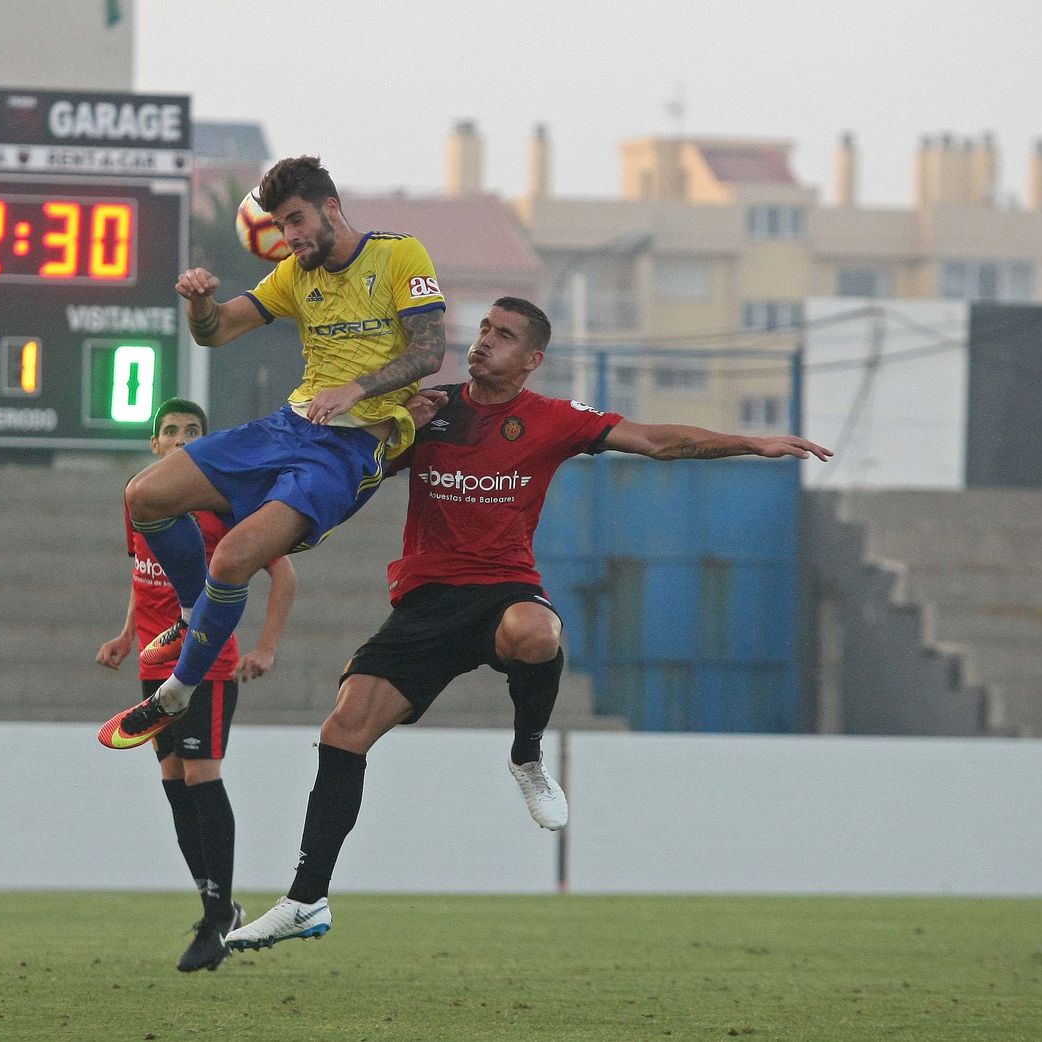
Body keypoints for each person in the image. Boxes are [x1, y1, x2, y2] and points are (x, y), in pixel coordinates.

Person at [224, 297, 832, 950]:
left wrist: (752, 441)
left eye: (504, 335)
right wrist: (387, 428)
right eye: (484, 329)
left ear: (532, 360)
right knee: (343, 731)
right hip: (426, 605)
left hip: (502, 593)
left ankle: (526, 757)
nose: (484, 341)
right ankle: (307, 899)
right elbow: (351, 473)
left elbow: (655, 441)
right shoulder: (434, 409)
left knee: (537, 632)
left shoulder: (552, 420)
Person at [98, 155, 447, 750]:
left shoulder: (398, 255)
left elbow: (431, 350)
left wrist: (357, 390)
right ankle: (191, 615)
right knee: (144, 495)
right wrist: (199, 303)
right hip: (289, 428)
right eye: (280, 226)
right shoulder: (295, 273)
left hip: (348, 452)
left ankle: (175, 693)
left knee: (232, 559)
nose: (288, 237)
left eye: (295, 220)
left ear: (330, 208)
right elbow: (218, 330)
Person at [96, 398, 298, 972]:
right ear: (154, 444)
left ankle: (216, 919)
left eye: (193, 432)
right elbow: (143, 573)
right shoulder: (142, 499)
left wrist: (266, 647)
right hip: (156, 666)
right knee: (173, 781)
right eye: (171, 432)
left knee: (201, 774)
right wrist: (126, 636)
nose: (181, 440)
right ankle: (218, 906)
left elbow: (284, 574)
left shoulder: (223, 505)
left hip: (206, 664)